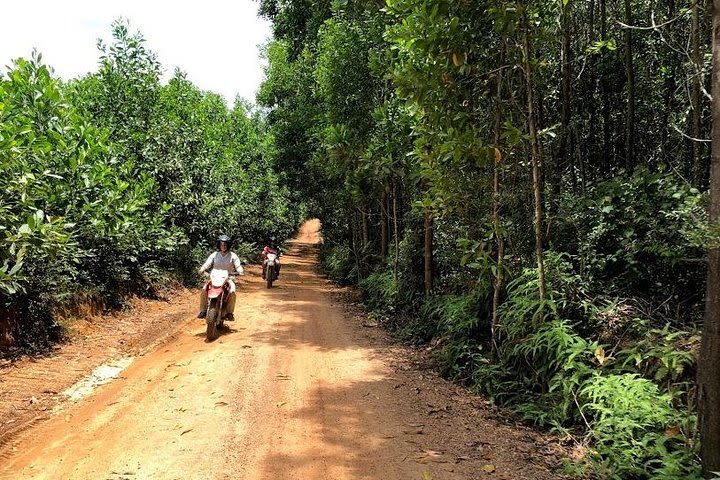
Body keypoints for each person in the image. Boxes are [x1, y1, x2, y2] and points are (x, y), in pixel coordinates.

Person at [197, 234, 244, 320]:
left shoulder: (233, 255)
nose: (223, 246)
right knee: (204, 289)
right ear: (219, 245)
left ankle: (230, 312)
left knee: (232, 291)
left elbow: (238, 265)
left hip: (228, 278)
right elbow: (207, 263)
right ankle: (203, 310)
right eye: (222, 244)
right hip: (214, 277)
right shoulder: (215, 254)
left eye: (225, 244)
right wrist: (202, 269)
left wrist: (240, 271)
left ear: (228, 245)